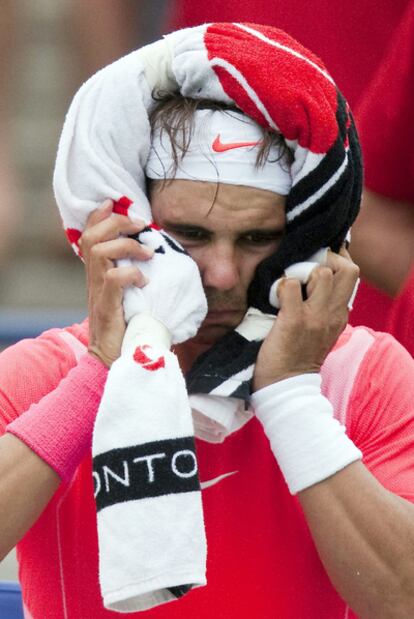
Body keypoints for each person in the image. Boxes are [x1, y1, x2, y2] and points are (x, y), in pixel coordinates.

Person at [1, 34, 414, 619]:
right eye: (190, 235)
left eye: (255, 239)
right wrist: (100, 374)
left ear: (303, 247)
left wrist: (292, 395)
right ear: (130, 228)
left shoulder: (369, 377)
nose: (220, 275)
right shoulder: (45, 377)